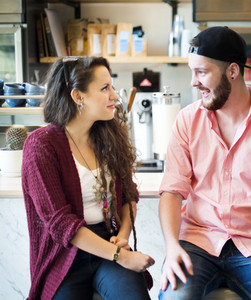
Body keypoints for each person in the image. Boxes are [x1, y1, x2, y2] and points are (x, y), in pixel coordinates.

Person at [158, 26, 251, 300]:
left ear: (233, 72)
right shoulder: (187, 120)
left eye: (201, 72)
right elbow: (172, 192)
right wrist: (172, 246)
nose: (193, 82)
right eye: (192, 71)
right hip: (196, 244)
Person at [21, 56, 155, 300]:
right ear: (78, 96)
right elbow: (61, 223)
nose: (114, 96)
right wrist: (122, 256)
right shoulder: (41, 145)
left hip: (109, 242)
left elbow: (129, 195)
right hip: (64, 255)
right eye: (105, 88)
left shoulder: (109, 135)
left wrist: (123, 237)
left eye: (112, 87)